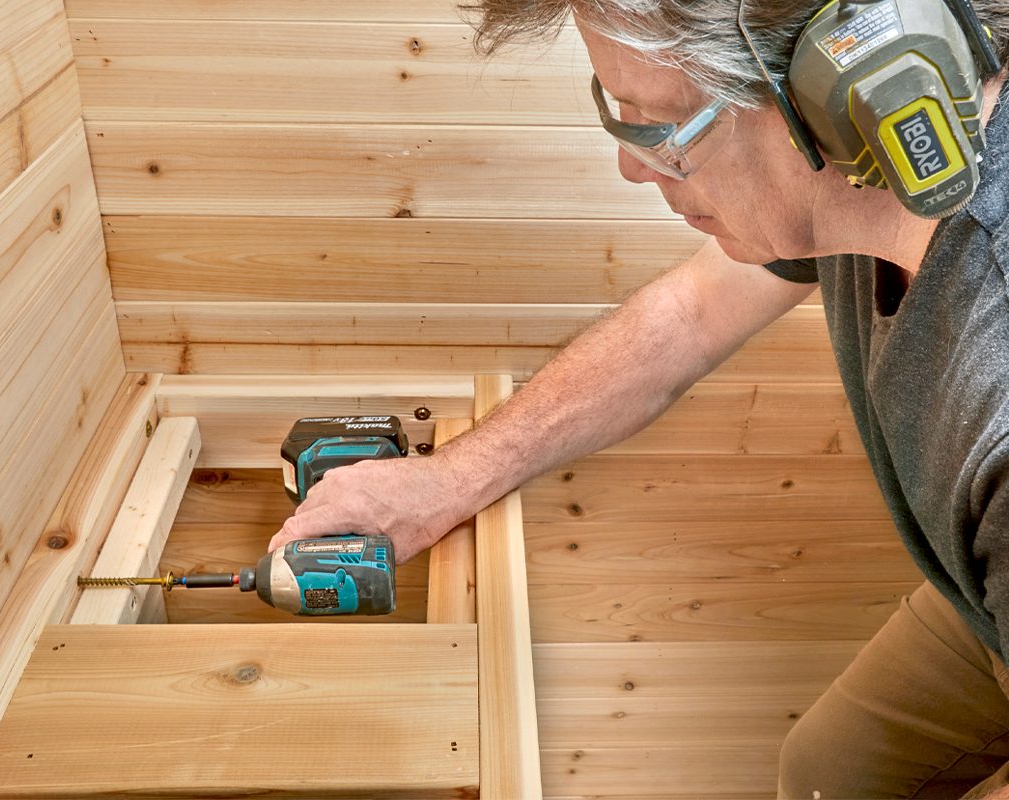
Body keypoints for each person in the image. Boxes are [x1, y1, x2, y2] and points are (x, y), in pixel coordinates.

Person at [267, 1, 1009, 796]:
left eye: (661, 127)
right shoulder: (869, 173)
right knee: (826, 772)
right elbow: (688, 317)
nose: (633, 165)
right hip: (980, 603)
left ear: (845, 91)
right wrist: (446, 480)